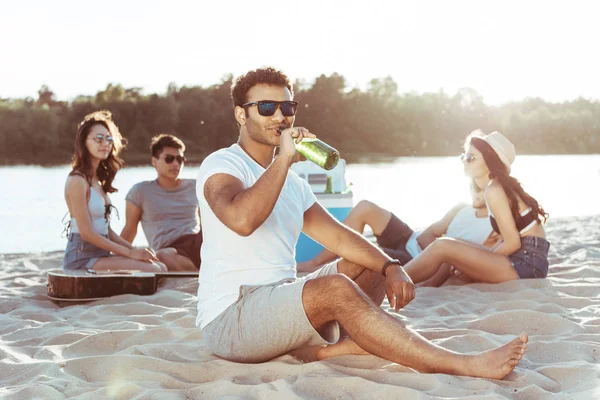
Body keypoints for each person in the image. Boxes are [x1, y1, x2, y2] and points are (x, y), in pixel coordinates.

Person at [195, 67, 527, 379]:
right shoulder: (223, 165)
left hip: (277, 302)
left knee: (367, 264)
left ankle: (334, 348)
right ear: (242, 114)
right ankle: (461, 364)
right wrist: (284, 158)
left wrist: (391, 265)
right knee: (337, 290)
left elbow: (339, 238)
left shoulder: (293, 183)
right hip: (234, 318)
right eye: (266, 107)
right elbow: (242, 220)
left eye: (287, 106)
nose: (280, 116)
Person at [403, 130, 550, 285]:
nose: (465, 161)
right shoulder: (496, 187)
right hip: (528, 260)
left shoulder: (494, 190)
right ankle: (419, 288)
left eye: (470, 158)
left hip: (526, 265)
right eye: (463, 157)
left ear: (489, 162)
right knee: (454, 245)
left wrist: (477, 263)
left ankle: (392, 280)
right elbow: (505, 239)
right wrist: (474, 262)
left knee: (443, 246)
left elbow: (513, 243)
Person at [297, 182, 498, 282]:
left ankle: (324, 271)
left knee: (364, 255)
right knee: (365, 207)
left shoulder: (494, 226)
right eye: (474, 187)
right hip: (410, 237)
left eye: (481, 189)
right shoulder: (460, 207)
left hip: (414, 259)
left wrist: (445, 254)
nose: (476, 193)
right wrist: (441, 247)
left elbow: (477, 263)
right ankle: (316, 262)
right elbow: (426, 235)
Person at [62, 110, 166, 272]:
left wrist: (136, 250)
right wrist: (130, 254)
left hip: (101, 256)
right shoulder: (77, 180)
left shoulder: (97, 180)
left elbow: (107, 231)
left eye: (109, 139)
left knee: (160, 265)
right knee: (155, 270)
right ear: (84, 142)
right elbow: (86, 233)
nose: (105, 143)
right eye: (98, 139)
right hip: (81, 259)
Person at [121, 134, 202, 271]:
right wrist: (115, 255)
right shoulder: (140, 191)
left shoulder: (195, 186)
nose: (176, 164)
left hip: (196, 241)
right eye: (169, 159)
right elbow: (129, 230)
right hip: (169, 250)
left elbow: (208, 221)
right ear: (154, 161)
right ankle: (198, 274)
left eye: (180, 159)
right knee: (162, 256)